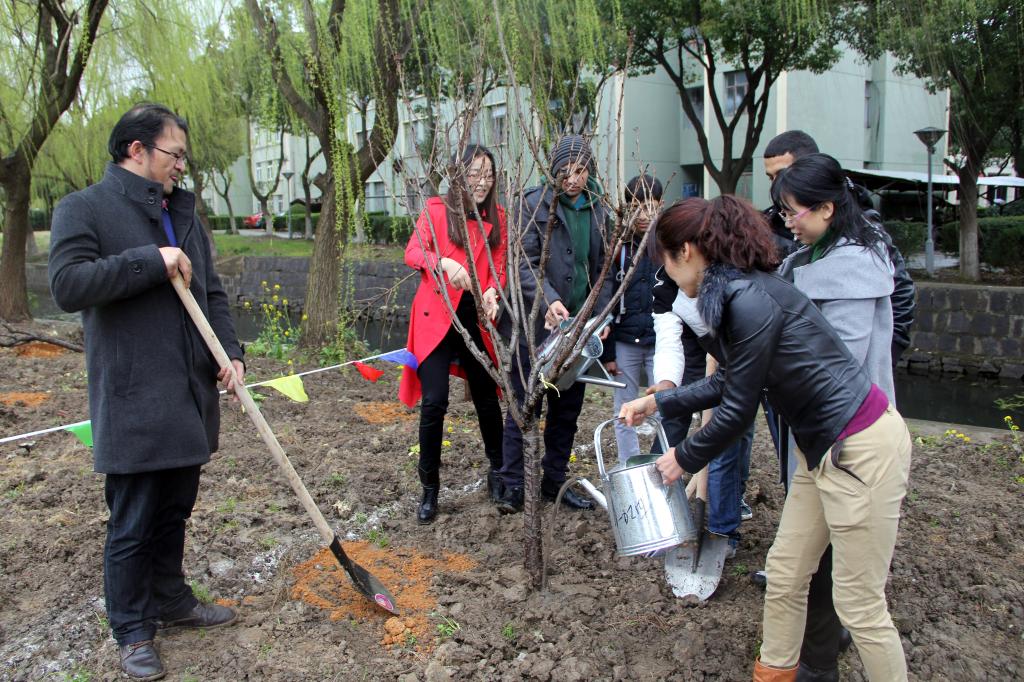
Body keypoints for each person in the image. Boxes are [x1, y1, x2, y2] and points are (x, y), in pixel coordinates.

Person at [621, 196, 913, 682]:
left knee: (859, 605)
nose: (665, 273)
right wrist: (660, 403)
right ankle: (773, 674)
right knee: (785, 575)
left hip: (860, 448)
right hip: (820, 449)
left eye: (664, 261)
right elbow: (728, 380)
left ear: (686, 252)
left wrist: (682, 458)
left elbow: (737, 409)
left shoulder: (748, 299)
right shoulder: (739, 291)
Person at [48, 103, 244, 681]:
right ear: (137, 150)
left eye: (184, 156)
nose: (181, 165)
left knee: (176, 508)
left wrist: (230, 353)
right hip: (134, 395)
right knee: (132, 521)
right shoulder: (84, 208)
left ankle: (171, 599)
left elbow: (212, 295)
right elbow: (68, 284)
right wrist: (150, 261)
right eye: (173, 154)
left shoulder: (181, 212)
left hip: (190, 391)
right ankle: (132, 629)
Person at [495, 134, 613, 513]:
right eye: (565, 171)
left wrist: (599, 316)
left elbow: (605, 270)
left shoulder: (600, 210)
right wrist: (549, 299)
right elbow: (523, 262)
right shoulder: (532, 204)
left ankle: (554, 481)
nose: (573, 179)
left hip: (577, 330)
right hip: (536, 329)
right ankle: (513, 483)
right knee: (525, 406)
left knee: (567, 412)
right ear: (553, 171)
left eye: (580, 170)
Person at [399, 144, 507, 523]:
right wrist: (444, 263)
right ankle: (429, 488)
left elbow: (498, 266)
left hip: (474, 319)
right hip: (435, 319)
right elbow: (413, 253)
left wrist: (492, 291)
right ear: (459, 176)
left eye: (488, 175)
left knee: (487, 397)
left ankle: (498, 471)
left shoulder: (498, 218)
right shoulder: (435, 211)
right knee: (434, 402)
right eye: (475, 174)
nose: (482, 182)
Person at [763, 131, 916, 364]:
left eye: (782, 174)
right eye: (770, 177)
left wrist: (885, 357)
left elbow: (900, 295)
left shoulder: (861, 243)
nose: (777, 184)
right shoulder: (782, 225)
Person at [601, 175, 663, 463]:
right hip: (625, 339)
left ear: (660, 205)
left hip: (661, 340)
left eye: (649, 206)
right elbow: (607, 301)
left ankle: (662, 464)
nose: (643, 214)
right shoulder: (619, 248)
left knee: (665, 405)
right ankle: (629, 466)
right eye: (636, 207)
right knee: (623, 408)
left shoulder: (668, 244)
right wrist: (608, 352)